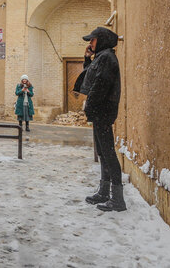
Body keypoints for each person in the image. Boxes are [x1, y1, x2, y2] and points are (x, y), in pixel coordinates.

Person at [74, 26, 124, 212]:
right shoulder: (101, 57)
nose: (90, 43)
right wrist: (87, 58)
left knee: (108, 153)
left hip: (103, 111)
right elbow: (91, 76)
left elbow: (100, 85)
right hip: (99, 112)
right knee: (103, 153)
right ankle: (104, 192)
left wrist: (90, 106)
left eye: (92, 40)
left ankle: (118, 199)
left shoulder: (108, 59)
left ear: (101, 40)